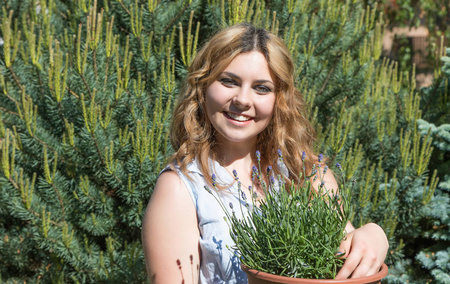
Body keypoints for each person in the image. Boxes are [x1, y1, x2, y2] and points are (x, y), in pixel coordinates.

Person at [142, 23, 389, 283]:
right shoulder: (180, 189)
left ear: (279, 99)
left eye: (261, 88)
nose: (242, 100)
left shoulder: (306, 174)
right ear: (203, 87)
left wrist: (374, 234)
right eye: (229, 81)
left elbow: (346, 251)